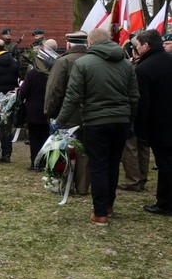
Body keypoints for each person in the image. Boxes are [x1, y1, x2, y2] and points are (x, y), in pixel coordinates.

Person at [52, 28, 139, 225]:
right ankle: (108, 205)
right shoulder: (126, 65)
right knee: (113, 164)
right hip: (121, 120)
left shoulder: (83, 64)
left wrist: (60, 121)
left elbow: (73, 96)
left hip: (95, 121)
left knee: (98, 166)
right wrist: (130, 120)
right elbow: (134, 97)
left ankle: (100, 213)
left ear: (90, 44)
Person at [44, 31, 90, 194]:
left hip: (68, 114)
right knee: (84, 151)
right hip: (90, 114)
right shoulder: (93, 60)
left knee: (66, 149)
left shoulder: (63, 61)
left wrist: (50, 113)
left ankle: (65, 186)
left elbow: (54, 90)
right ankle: (83, 187)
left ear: (69, 44)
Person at [132, 29, 172, 216]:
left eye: (138, 45)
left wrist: (140, 130)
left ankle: (165, 204)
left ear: (146, 45)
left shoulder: (144, 69)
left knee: (165, 165)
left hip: (160, 125)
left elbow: (143, 103)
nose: (137, 49)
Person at [118, 34, 150, 192]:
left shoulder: (135, 68)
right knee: (143, 146)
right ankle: (142, 177)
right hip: (146, 111)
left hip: (134, 111)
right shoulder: (144, 64)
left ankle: (133, 180)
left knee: (130, 147)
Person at [18, 44, 52, 171]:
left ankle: (35, 163)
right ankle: (45, 162)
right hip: (48, 109)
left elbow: (23, 92)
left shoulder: (32, 74)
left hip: (34, 110)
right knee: (46, 137)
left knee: (34, 138)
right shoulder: (52, 72)